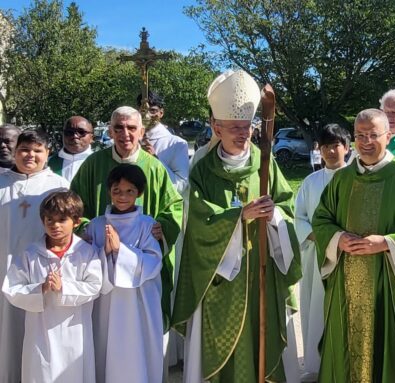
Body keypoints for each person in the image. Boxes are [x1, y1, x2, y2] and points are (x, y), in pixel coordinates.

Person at [172, 69, 302, 383]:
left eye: (246, 127)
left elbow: (285, 205)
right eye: (233, 128)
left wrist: (274, 217)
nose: (242, 134)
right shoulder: (203, 168)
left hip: (260, 271)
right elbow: (198, 220)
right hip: (218, 279)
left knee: (262, 341)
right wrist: (238, 217)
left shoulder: (265, 162)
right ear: (216, 126)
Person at [312, 108, 395, 383]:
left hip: (388, 285)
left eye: (373, 135)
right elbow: (321, 219)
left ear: (388, 136)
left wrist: (387, 243)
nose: (366, 142)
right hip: (345, 282)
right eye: (360, 135)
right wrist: (337, 238)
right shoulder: (341, 180)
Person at [70, 106, 182, 358]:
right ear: (110, 131)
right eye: (118, 128)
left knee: (139, 337)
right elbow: (74, 204)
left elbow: (174, 206)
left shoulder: (154, 167)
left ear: (142, 131)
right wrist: (87, 227)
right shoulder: (93, 164)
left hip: (141, 274)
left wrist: (163, 225)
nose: (125, 134)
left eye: (132, 128)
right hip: (101, 263)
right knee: (103, 333)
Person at [2, 190, 102, 383]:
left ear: (76, 221)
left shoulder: (86, 252)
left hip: (75, 331)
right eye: (49, 220)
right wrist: (40, 288)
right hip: (40, 333)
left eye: (62, 220)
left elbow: (95, 286)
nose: (55, 225)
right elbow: (11, 289)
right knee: (41, 372)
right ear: (42, 221)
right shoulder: (30, 254)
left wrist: (64, 287)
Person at [0, 129, 69, 383]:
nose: (30, 155)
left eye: (37, 150)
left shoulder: (58, 186)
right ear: (15, 151)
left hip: (41, 273)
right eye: (25, 149)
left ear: (47, 153)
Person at [86, 164, 163, 383]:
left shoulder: (147, 225)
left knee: (137, 351)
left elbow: (154, 262)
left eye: (130, 191)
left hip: (139, 304)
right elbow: (88, 265)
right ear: (109, 190)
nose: (122, 196)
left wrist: (121, 251)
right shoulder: (96, 225)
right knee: (105, 350)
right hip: (105, 304)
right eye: (117, 191)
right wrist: (105, 253)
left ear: (139, 193)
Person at [294, 123, 350, 382]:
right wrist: (320, 237)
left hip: (349, 255)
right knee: (316, 307)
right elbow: (299, 217)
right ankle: (317, 366)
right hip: (317, 255)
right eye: (325, 146)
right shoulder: (311, 181)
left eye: (335, 145)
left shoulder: (357, 178)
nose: (330, 151)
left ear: (347, 148)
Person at [138, 91, 190, 195]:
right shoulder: (129, 141)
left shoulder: (177, 144)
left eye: (152, 110)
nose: (147, 116)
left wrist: (155, 161)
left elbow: (181, 186)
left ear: (161, 113)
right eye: (143, 111)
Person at [48, 116, 94, 182]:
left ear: (92, 137)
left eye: (81, 132)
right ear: (62, 135)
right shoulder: (48, 163)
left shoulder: (99, 162)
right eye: (69, 132)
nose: (75, 136)